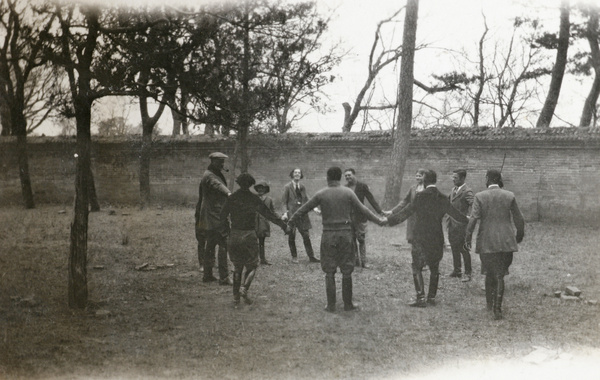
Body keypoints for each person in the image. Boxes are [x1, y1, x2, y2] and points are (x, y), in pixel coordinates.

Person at [288, 167, 387, 313]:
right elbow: (363, 210)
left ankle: (331, 305)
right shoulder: (348, 192)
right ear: (340, 177)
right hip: (346, 234)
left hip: (328, 234)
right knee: (347, 270)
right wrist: (379, 220)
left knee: (329, 271)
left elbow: (303, 209)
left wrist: (290, 222)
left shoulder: (321, 194)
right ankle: (348, 304)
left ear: (328, 177)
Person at [388, 170, 468, 307]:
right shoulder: (443, 198)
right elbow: (456, 215)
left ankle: (420, 298)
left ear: (424, 181)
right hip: (436, 237)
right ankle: (431, 298)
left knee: (417, 266)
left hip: (420, 237)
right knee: (434, 268)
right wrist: (470, 219)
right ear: (435, 181)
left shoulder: (420, 197)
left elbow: (406, 212)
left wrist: (388, 221)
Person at [465, 169, 525, 320]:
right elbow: (519, 218)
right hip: (505, 241)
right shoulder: (509, 195)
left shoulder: (480, 196)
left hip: (487, 241)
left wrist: (467, 236)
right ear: (499, 180)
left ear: (488, 179)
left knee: (488, 271)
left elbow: (473, 219)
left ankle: (489, 304)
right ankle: (497, 308)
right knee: (500, 274)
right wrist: (519, 234)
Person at [221, 173, 288, 306]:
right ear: (251, 184)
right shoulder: (254, 199)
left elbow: (222, 216)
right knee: (252, 265)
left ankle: (236, 299)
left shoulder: (232, 198)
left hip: (234, 234)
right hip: (249, 235)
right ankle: (244, 289)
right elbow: (269, 214)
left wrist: (227, 232)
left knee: (237, 266)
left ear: (239, 183)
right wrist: (284, 226)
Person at [197, 152, 232, 285]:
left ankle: (208, 275)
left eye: (223, 162)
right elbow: (217, 185)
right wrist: (229, 193)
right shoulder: (209, 176)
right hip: (214, 216)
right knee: (223, 244)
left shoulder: (213, 173)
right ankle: (224, 278)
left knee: (210, 245)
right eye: (219, 162)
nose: (222, 164)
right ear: (213, 162)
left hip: (212, 216)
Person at [344, 168, 384, 269]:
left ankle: (363, 262)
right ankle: (355, 261)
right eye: (346, 176)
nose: (348, 177)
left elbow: (371, 199)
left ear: (354, 175)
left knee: (361, 239)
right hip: (348, 217)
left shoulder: (362, 186)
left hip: (360, 217)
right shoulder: (344, 188)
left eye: (349, 175)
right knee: (351, 239)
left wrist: (379, 211)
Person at [281, 168, 320, 263]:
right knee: (291, 235)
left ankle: (311, 256)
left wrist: (314, 208)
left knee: (306, 235)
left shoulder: (302, 187)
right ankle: (294, 257)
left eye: (299, 173)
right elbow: (283, 202)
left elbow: (307, 199)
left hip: (302, 215)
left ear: (301, 175)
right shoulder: (287, 187)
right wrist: (285, 213)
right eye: (295, 172)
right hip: (292, 215)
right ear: (292, 174)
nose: (297, 174)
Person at [384, 168, 426, 249]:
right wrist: (392, 211)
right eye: (416, 176)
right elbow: (405, 201)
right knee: (413, 237)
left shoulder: (428, 188)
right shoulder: (413, 188)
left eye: (420, 176)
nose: (417, 178)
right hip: (412, 215)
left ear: (424, 177)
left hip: (424, 216)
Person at [446, 169, 474, 281]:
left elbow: (474, 205)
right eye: (453, 177)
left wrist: (470, 217)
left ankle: (468, 273)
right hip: (452, 224)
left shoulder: (467, 191)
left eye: (455, 178)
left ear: (462, 178)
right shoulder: (453, 190)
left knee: (464, 249)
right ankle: (457, 270)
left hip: (462, 226)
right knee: (454, 248)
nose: (453, 179)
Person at [254, 181, 278, 265]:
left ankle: (262, 259)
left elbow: (273, 211)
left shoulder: (269, 200)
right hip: (253, 222)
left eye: (262, 188)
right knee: (253, 241)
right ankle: (254, 259)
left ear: (265, 190)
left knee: (261, 241)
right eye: (259, 188)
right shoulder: (253, 198)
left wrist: (279, 218)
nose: (260, 190)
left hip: (263, 223)